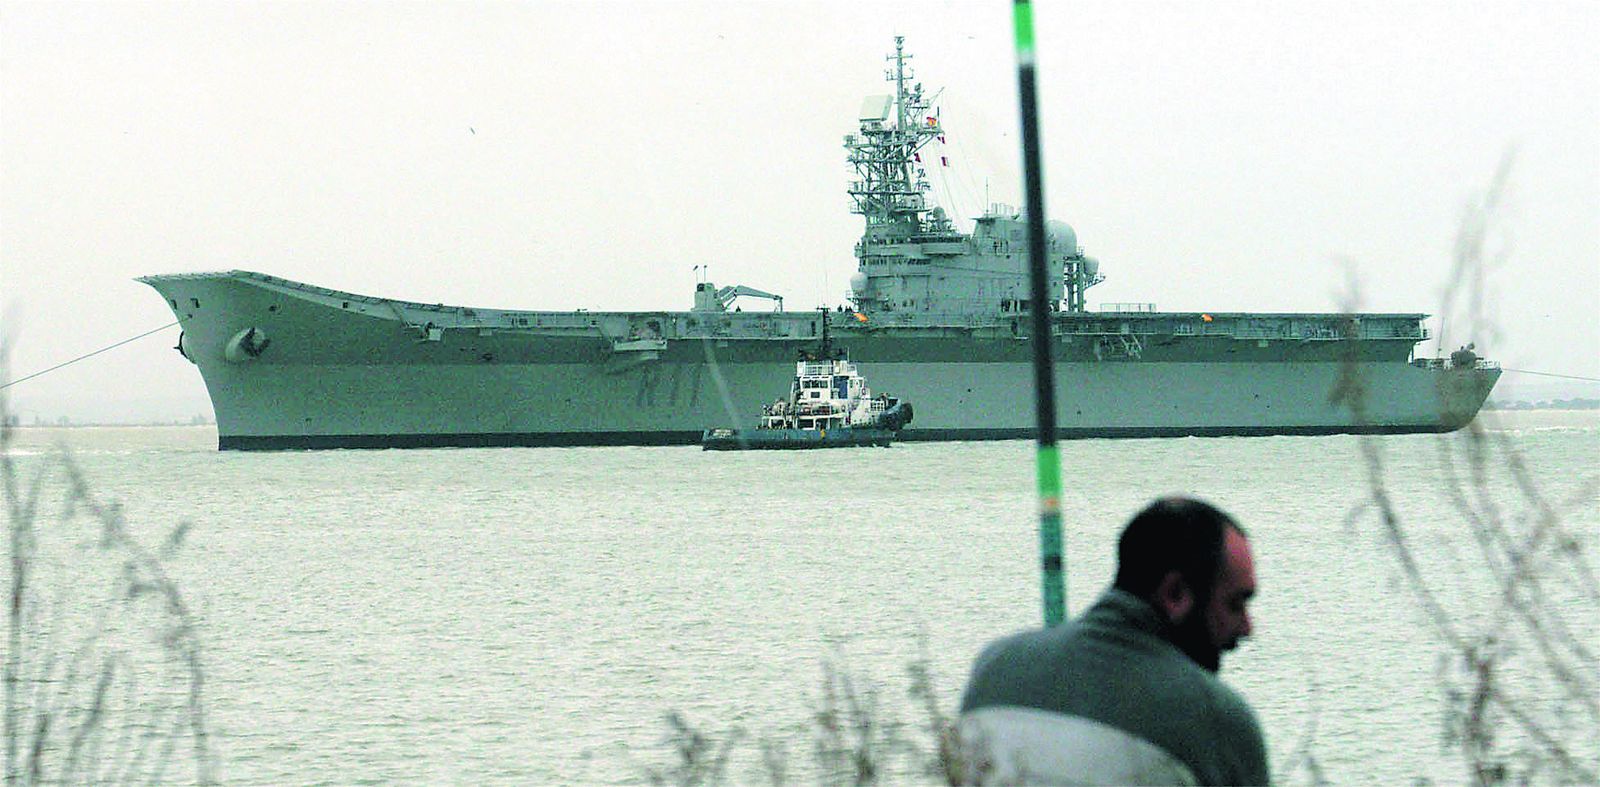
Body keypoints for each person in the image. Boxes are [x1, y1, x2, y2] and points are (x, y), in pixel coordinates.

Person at [957, 497, 1268, 786]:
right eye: (1235, 604)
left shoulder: (995, 667)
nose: (1246, 627)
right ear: (1175, 594)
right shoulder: (1217, 720)